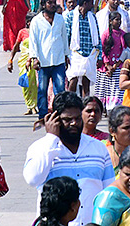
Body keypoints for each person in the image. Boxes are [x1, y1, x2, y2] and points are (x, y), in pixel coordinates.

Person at [23, 91, 115, 226]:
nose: (74, 123)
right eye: (67, 119)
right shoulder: (40, 148)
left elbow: (109, 192)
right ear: (54, 119)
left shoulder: (99, 149)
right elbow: (32, 179)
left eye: (78, 118)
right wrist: (51, 139)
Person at [29, 0, 69, 129]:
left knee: (60, 89)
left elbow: (64, 37)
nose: (52, 5)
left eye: (54, 2)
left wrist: (66, 55)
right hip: (43, 61)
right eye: (49, 3)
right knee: (42, 90)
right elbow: (33, 41)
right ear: (44, 5)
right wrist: (34, 58)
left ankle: (59, 114)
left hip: (58, 60)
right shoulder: (36, 21)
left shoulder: (60, 19)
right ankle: (43, 116)